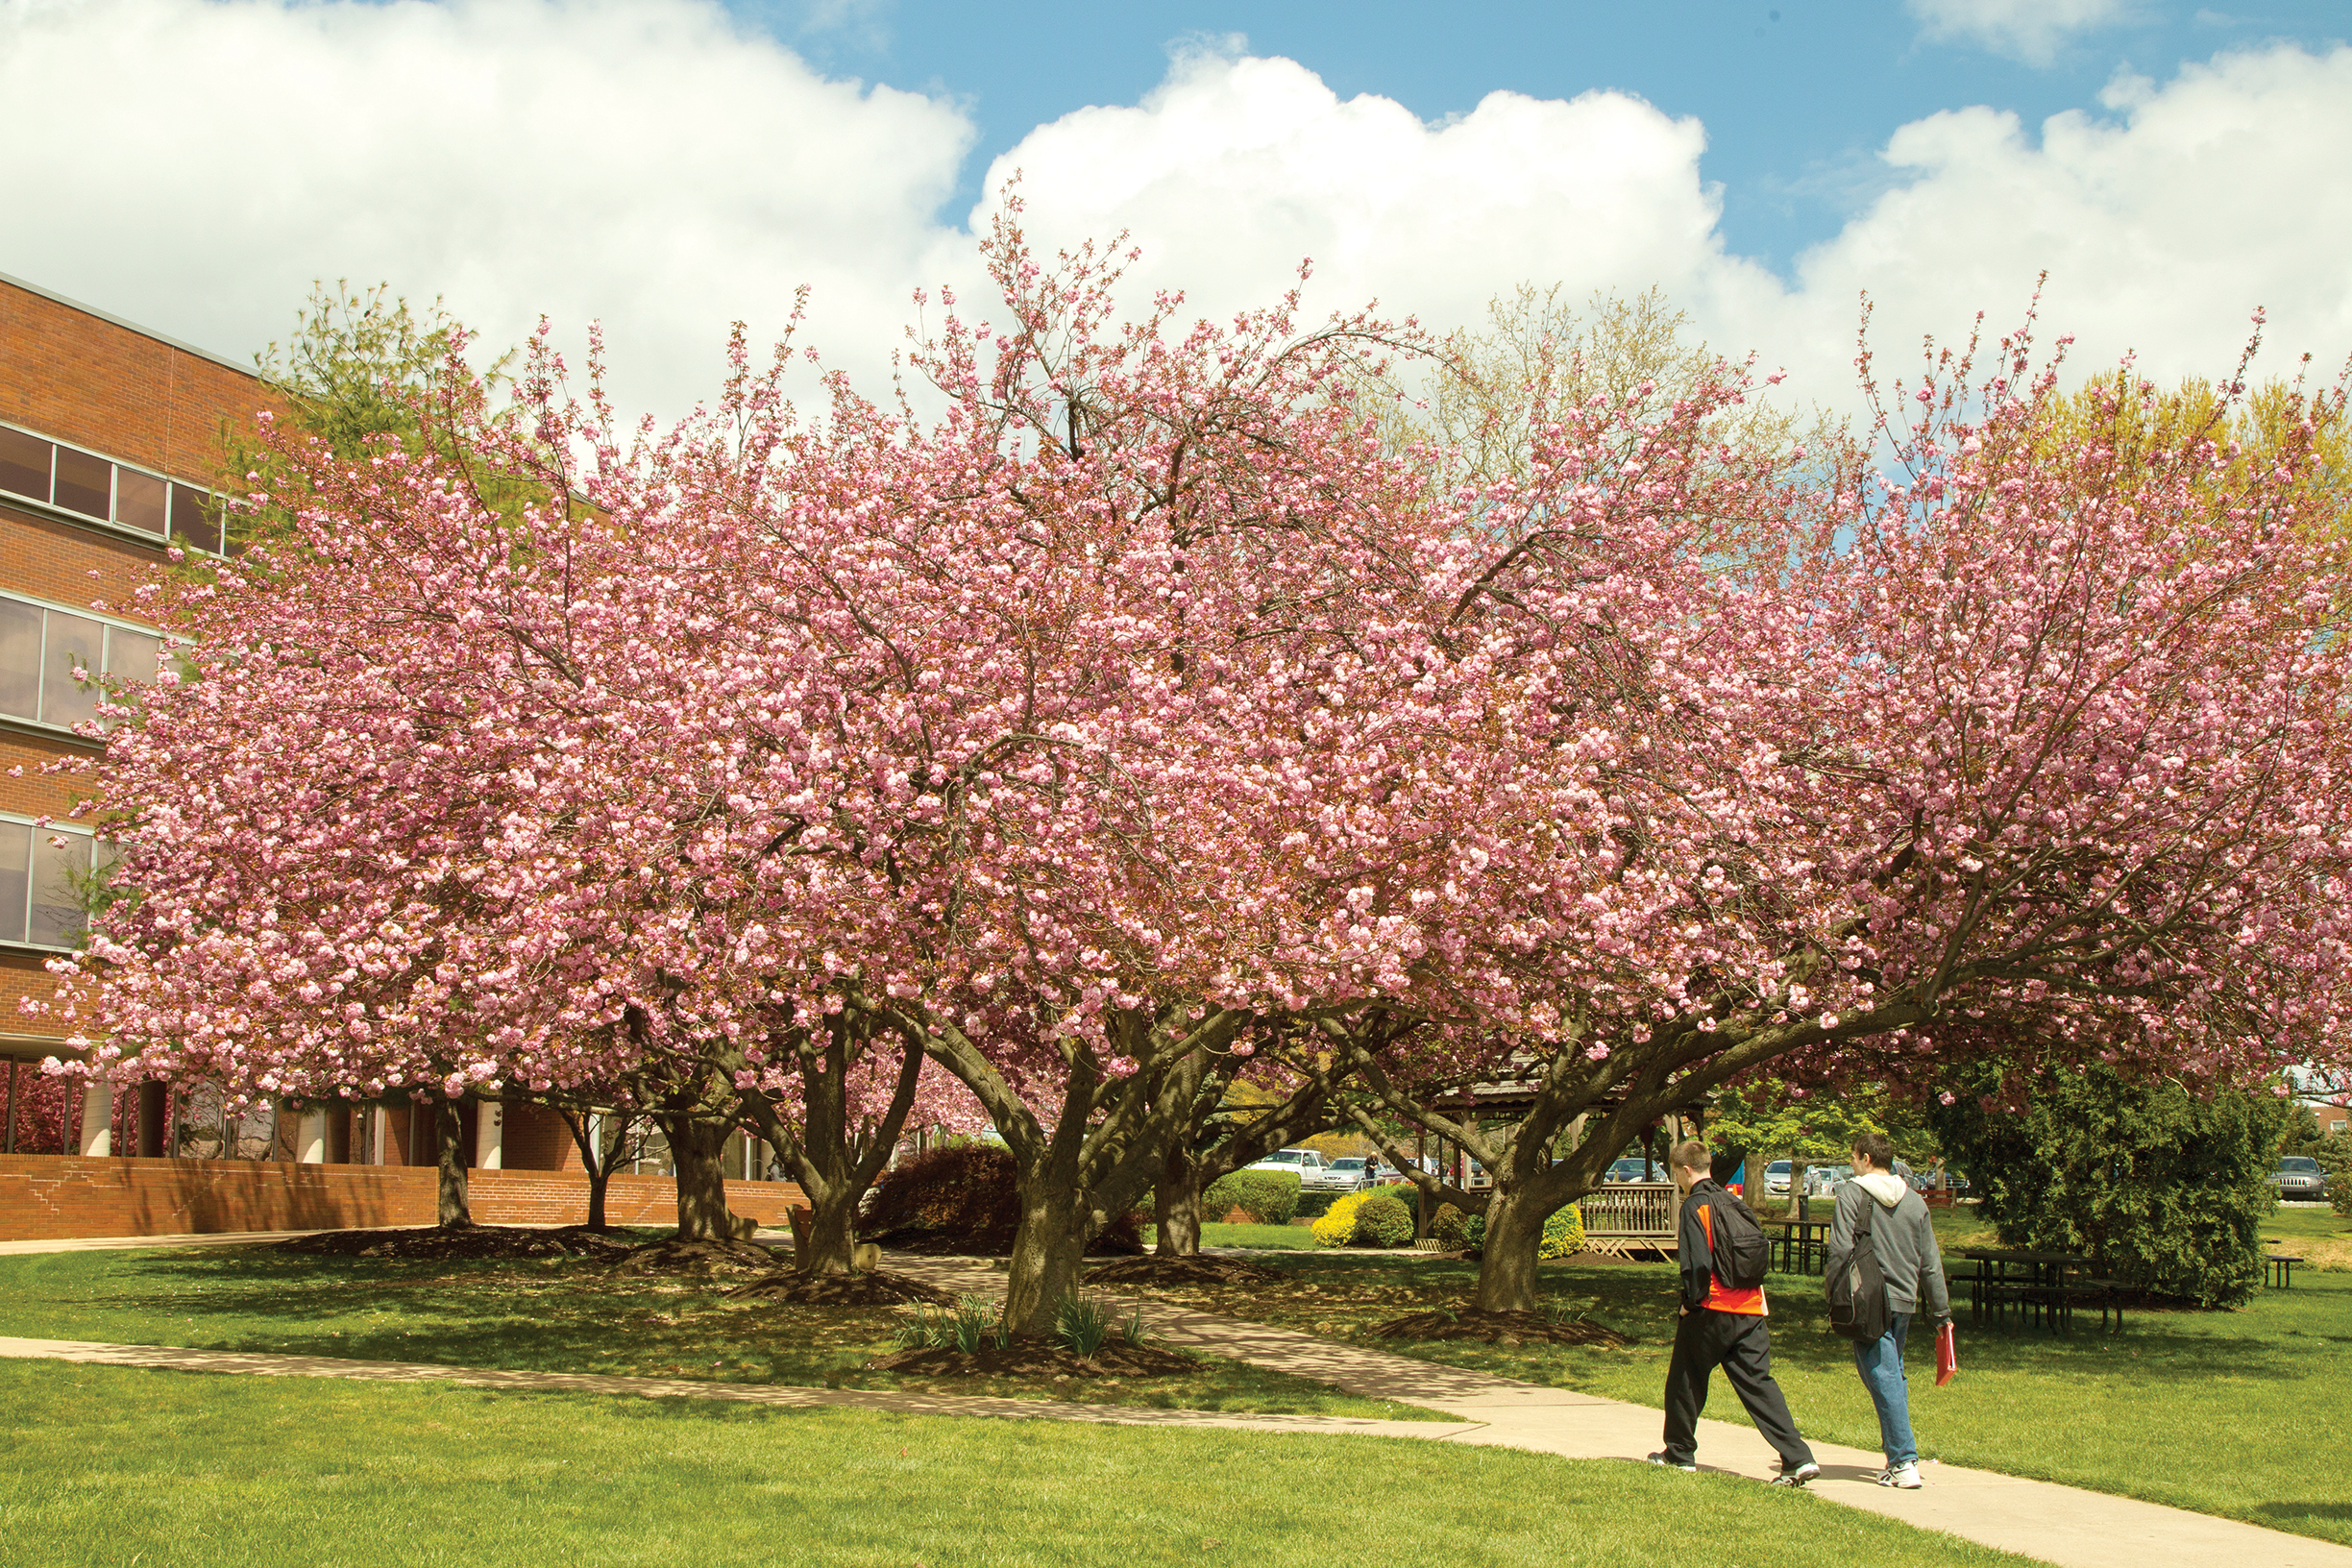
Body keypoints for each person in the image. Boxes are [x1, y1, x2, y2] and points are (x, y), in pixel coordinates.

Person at [1648, 1138, 1821, 1485]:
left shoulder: (1696, 1206)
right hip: (1751, 1307)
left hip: (1712, 1309)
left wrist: (1688, 1305)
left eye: (1677, 1174)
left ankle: (1679, 1453)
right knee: (1759, 1385)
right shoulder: (1735, 1202)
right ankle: (1798, 1458)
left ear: (1684, 1170)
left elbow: (1696, 1265)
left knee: (1685, 1380)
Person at [1826, 1131, 1951, 1490]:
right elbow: (1930, 1263)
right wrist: (1941, 1311)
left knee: (1882, 1377)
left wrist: (1833, 1294)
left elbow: (1839, 1249)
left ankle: (1903, 1460)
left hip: (1867, 1301)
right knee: (1889, 1375)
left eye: (1853, 1157)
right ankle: (1896, 1457)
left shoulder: (1851, 1193)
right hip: (1904, 1302)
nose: (1851, 1164)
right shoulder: (1915, 1202)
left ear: (1866, 1158)